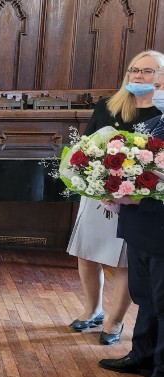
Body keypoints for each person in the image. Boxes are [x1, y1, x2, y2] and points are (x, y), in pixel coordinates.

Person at [66, 50, 164, 346]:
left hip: (133, 202)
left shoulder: (160, 116)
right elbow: (85, 144)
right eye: (134, 70)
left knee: (122, 263)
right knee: (87, 253)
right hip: (97, 193)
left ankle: (116, 319)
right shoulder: (108, 105)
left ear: (161, 78)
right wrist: (90, 176)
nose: (138, 75)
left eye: (147, 71)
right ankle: (92, 309)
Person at [98, 73, 164, 377]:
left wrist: (137, 198)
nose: (155, 91)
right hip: (140, 230)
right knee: (145, 298)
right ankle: (142, 357)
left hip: (160, 228)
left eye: (160, 86)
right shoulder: (152, 126)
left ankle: (161, 370)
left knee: (163, 303)